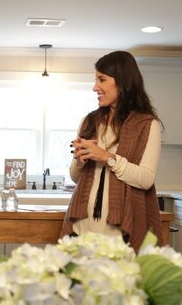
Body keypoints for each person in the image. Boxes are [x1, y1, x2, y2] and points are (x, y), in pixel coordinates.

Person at [61, 50, 164, 251]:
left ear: (123, 82)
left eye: (102, 79)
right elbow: (75, 177)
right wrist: (80, 162)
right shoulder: (89, 122)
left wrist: (106, 157)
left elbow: (145, 179)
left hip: (119, 235)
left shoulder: (147, 125)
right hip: (82, 229)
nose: (95, 87)